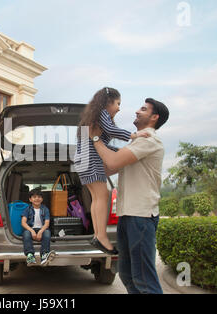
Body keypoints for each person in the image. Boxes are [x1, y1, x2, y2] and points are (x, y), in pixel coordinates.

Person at [89, 98, 169, 294]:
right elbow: (108, 168)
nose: (136, 112)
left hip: (140, 216)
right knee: (127, 275)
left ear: (154, 117)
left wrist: (96, 138)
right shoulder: (136, 142)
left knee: (143, 279)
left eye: (143, 109)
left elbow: (114, 162)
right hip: (127, 215)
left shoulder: (149, 140)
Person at [74, 87, 149, 254]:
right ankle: (101, 237)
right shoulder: (102, 113)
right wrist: (133, 136)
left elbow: (102, 143)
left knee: (96, 197)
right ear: (108, 102)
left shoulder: (93, 116)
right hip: (90, 159)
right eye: (118, 103)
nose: (119, 108)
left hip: (82, 160)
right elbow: (111, 131)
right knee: (102, 196)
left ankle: (97, 235)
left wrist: (119, 152)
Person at [21, 188, 56, 266]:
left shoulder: (45, 209)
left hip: (42, 229)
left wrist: (40, 232)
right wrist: (32, 231)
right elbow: (23, 222)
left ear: (42, 199)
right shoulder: (27, 209)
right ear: (30, 199)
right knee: (26, 234)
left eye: (39, 197)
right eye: (34, 197)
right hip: (31, 229)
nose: (37, 198)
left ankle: (44, 255)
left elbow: (47, 223)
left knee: (47, 233)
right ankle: (30, 255)